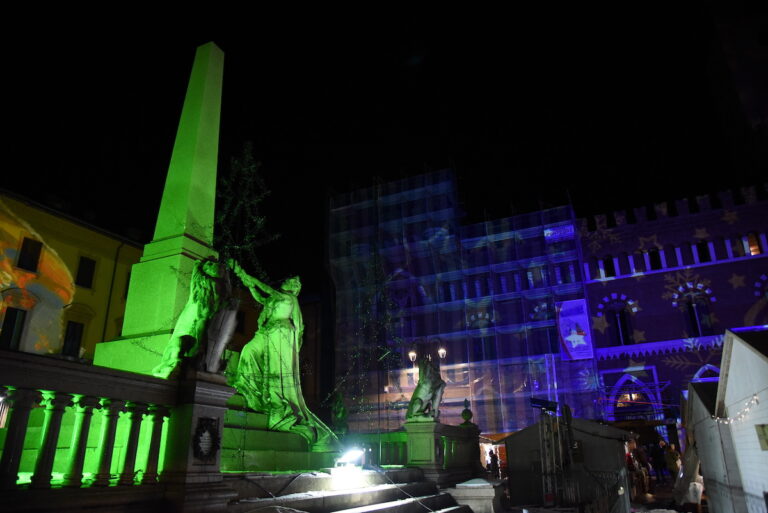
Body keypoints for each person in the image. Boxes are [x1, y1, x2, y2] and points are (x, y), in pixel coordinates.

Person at [230, 260, 336, 449]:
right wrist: (248, 283)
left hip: (280, 333)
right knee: (248, 350)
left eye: (298, 284)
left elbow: (267, 290)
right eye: (293, 282)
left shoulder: (289, 299)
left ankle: (277, 403)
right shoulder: (276, 298)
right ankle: (249, 387)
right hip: (266, 332)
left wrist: (248, 277)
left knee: (275, 371)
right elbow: (263, 298)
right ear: (285, 282)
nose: (295, 285)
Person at [152, 258, 234, 379]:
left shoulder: (217, 289)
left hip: (199, 342)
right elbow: (202, 322)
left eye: (217, 264)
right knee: (185, 339)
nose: (216, 266)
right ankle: (183, 360)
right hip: (185, 343)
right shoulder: (201, 294)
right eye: (210, 264)